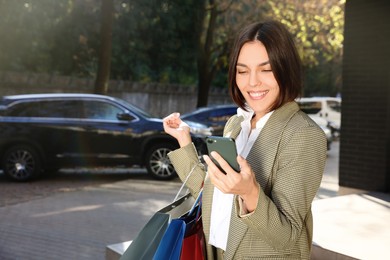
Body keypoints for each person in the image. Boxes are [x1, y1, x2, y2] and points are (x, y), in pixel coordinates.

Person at [163, 20, 327, 260]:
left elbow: (287, 235)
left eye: (266, 69)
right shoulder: (236, 124)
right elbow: (211, 188)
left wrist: (249, 193)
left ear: (286, 69)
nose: (252, 82)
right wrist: (184, 141)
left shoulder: (303, 135)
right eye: (242, 70)